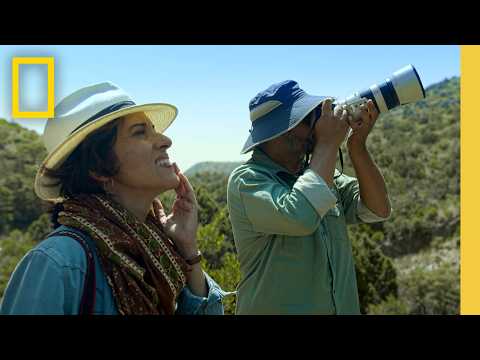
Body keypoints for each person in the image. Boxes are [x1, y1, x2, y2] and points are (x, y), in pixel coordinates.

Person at [0, 82, 227, 315]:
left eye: (153, 128)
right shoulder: (58, 263)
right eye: (140, 132)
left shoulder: (160, 254)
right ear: (99, 169)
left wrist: (188, 249)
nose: (165, 140)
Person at [227, 80, 392, 315]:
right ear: (280, 130)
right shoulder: (247, 181)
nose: (317, 126)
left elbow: (378, 209)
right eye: (308, 118)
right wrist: (327, 144)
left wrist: (357, 146)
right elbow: (300, 216)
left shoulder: (320, 175)